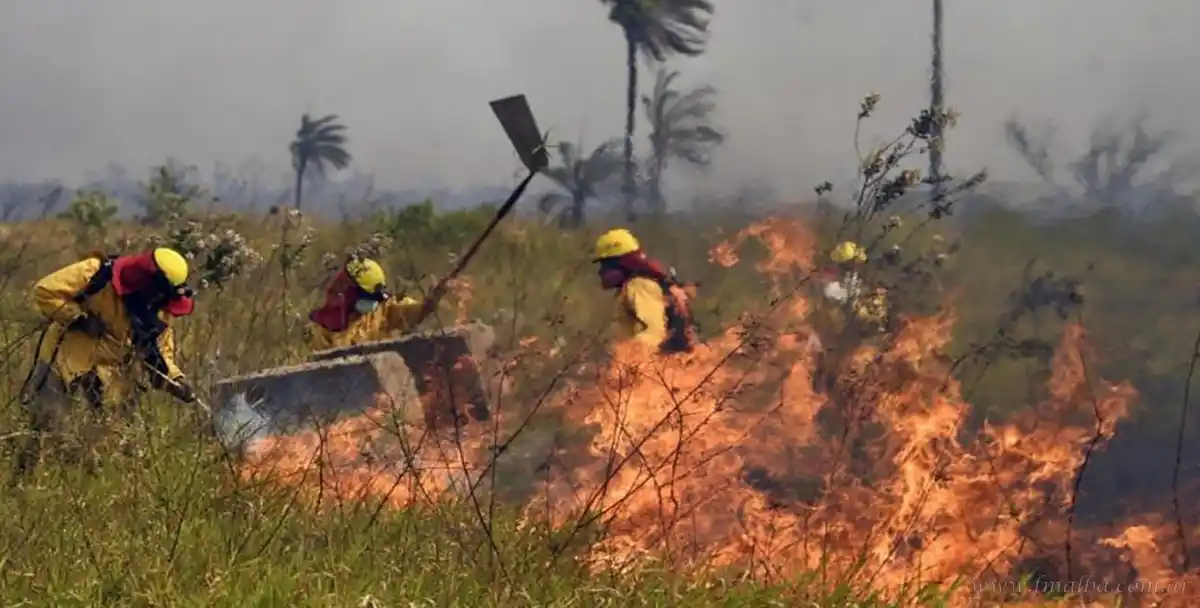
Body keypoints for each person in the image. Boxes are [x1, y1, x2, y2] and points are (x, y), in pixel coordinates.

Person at [15, 248, 199, 478]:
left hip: (109, 374)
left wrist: (177, 380)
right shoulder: (95, 273)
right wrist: (79, 319)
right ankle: (24, 481)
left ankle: (85, 484)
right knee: (47, 424)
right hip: (64, 358)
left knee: (107, 438)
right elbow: (45, 291)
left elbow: (161, 354)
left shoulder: (159, 313)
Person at [592, 228, 697, 354]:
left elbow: (653, 332)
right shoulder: (633, 286)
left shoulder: (638, 285)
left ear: (621, 263)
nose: (601, 271)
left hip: (648, 366)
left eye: (605, 264)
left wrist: (630, 359)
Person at [307, 257, 425, 351]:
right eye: (339, 281)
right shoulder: (322, 323)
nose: (335, 289)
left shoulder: (383, 311)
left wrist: (432, 301)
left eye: (345, 286)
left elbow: (414, 313)